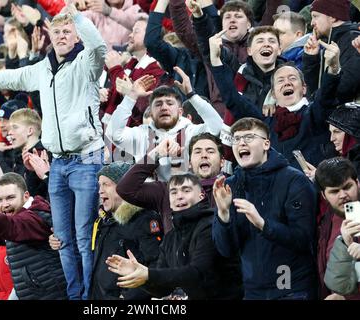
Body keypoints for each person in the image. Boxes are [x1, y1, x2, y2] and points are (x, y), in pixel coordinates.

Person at [0, 1, 107, 300]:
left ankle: (89, 299)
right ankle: (75, 296)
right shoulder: (41, 70)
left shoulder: (87, 63)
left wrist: (75, 14)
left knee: (84, 235)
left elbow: (99, 47)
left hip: (87, 158)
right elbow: (6, 78)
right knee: (62, 239)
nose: (61, 35)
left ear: (77, 36)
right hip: (59, 163)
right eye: (56, 31)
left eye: (67, 31)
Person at [212, 117, 317, 299]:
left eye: (249, 137)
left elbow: (304, 239)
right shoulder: (229, 186)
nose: (241, 143)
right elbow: (225, 250)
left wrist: (263, 224)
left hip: (291, 289)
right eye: (236, 139)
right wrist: (223, 214)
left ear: (266, 144)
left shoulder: (294, 180)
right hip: (253, 292)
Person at [210, 27, 341, 169]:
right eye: (280, 80)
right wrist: (216, 59)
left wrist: (333, 68)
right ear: (273, 93)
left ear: (304, 88)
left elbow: (326, 95)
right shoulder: (265, 122)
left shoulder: (315, 113)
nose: (287, 82)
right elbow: (232, 99)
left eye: (292, 78)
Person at [106, 173, 243, 300]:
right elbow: (162, 290)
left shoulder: (210, 225)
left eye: (186, 190)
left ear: (201, 195)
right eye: (174, 192)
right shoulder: (171, 237)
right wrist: (140, 277)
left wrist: (148, 274)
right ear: (170, 201)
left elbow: (197, 273)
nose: (179, 196)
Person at [0, 172, 68, 300]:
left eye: (10, 197)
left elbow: (12, 225)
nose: (5, 204)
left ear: (26, 196)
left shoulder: (36, 216)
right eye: (0, 200)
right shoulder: (11, 221)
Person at [106, 67, 223, 181]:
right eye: (158, 104)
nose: (164, 108)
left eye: (170, 103)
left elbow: (217, 128)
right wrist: (131, 96)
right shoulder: (141, 134)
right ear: (151, 113)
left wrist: (191, 95)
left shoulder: (191, 131)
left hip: (187, 195)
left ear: (180, 111)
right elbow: (113, 133)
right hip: (150, 196)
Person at [116, 132, 225, 233]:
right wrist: (156, 153)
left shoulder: (233, 187)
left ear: (222, 161)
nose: (204, 155)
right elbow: (125, 189)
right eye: (197, 152)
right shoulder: (169, 190)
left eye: (210, 151)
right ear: (190, 163)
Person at [89, 162, 162, 300]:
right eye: (100, 185)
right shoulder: (103, 221)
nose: (100, 190)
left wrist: (128, 297)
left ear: (124, 187)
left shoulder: (145, 218)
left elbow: (156, 265)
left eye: (106, 184)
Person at [312, 157, 360, 300]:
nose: (343, 195)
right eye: (334, 191)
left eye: (347, 187)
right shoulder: (325, 220)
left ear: (357, 183)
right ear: (324, 195)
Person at [303, 0, 360, 102]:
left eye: (315, 16)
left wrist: (334, 69)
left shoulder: (353, 40)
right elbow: (313, 93)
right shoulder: (327, 42)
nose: (312, 23)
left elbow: (344, 92)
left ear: (333, 17)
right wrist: (311, 59)